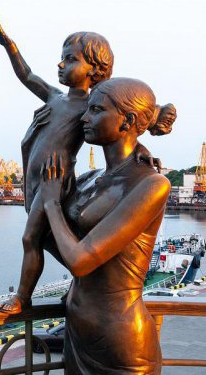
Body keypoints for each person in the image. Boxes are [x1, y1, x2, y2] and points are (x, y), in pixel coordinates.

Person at [40, 77, 176, 374]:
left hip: (121, 345)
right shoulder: (90, 179)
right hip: (77, 331)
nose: (84, 118)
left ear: (128, 121)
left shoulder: (152, 185)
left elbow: (80, 261)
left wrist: (51, 204)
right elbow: (45, 236)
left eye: (96, 110)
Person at [0, 21, 117, 313]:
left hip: (53, 183)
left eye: (71, 59)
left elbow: (119, 127)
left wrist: (141, 153)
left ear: (94, 70)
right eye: (62, 57)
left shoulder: (89, 107)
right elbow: (27, 75)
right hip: (36, 182)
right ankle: (88, 279)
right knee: (48, 241)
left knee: (30, 237)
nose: (61, 64)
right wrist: (10, 46)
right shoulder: (56, 97)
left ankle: (22, 298)